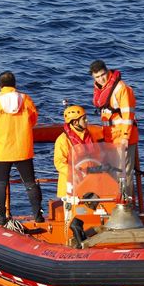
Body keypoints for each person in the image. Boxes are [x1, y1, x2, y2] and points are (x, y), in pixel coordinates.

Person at [0, 71, 44, 227]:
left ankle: (1, 216)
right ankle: (38, 216)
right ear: (15, 84)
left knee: (1, 183)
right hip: (23, 148)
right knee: (30, 183)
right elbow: (33, 119)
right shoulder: (26, 99)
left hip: (2, 150)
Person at [90, 59, 139, 199]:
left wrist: (125, 138)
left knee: (124, 173)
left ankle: (126, 206)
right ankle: (115, 201)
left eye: (102, 75)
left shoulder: (121, 88)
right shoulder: (101, 89)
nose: (101, 79)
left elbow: (128, 116)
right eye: (97, 77)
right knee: (112, 172)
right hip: (110, 138)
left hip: (123, 137)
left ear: (108, 71)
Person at [53, 105, 102, 246]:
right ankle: (73, 242)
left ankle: (88, 238)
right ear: (74, 122)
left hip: (89, 183)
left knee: (90, 212)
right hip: (70, 185)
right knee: (72, 216)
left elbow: (96, 156)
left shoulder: (88, 137)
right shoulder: (63, 140)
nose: (87, 121)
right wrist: (74, 172)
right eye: (83, 119)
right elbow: (59, 162)